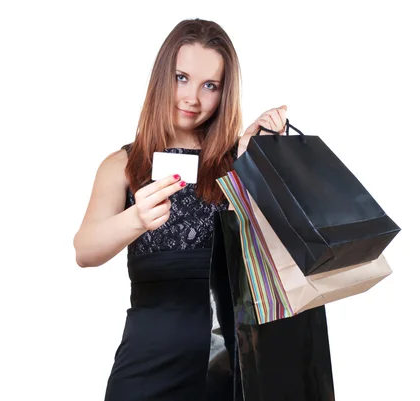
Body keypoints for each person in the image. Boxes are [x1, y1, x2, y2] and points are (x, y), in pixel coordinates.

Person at [73, 18, 288, 401]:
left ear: (225, 93)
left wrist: (261, 159)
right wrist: (136, 218)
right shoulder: (123, 165)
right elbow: (84, 251)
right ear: (161, 78)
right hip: (147, 368)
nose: (192, 98)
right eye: (181, 78)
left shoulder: (235, 163)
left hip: (231, 371)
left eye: (210, 86)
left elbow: (276, 260)